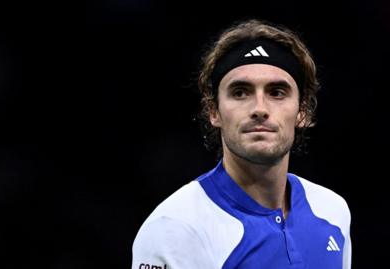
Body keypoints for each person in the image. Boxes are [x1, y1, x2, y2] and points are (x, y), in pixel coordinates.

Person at [132, 19, 351, 269]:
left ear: (303, 112)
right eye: (240, 92)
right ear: (213, 111)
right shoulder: (175, 228)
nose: (259, 108)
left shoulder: (333, 211)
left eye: (277, 92)